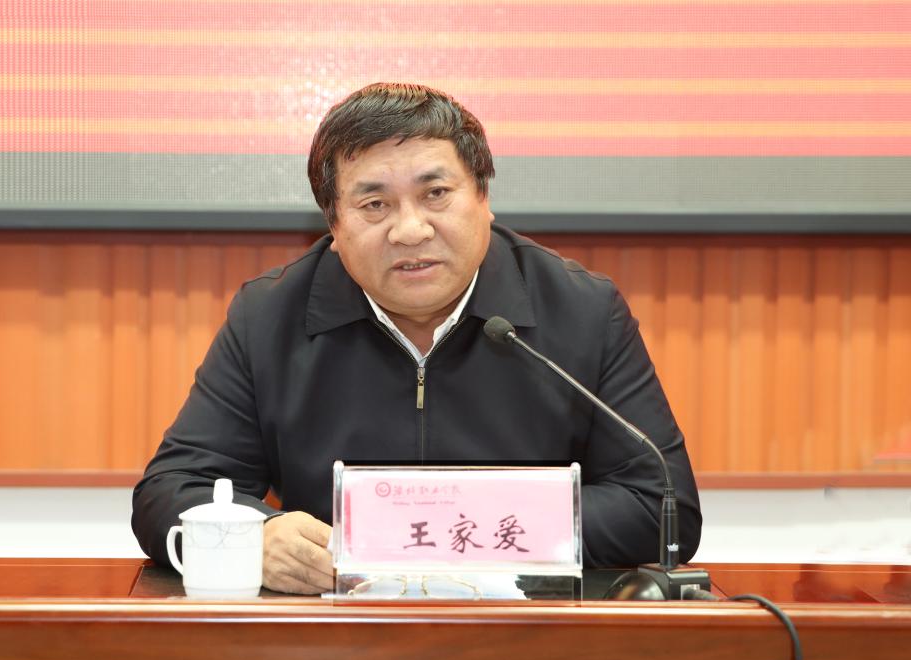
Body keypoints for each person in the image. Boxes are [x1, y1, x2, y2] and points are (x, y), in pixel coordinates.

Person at [132, 83, 702, 595]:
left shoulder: (581, 310)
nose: (410, 230)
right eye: (374, 204)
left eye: (436, 194)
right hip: (337, 637)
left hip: (528, 633)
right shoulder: (270, 315)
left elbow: (660, 508)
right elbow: (171, 490)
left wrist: (441, 532)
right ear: (333, 225)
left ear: (483, 198)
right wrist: (259, 535)